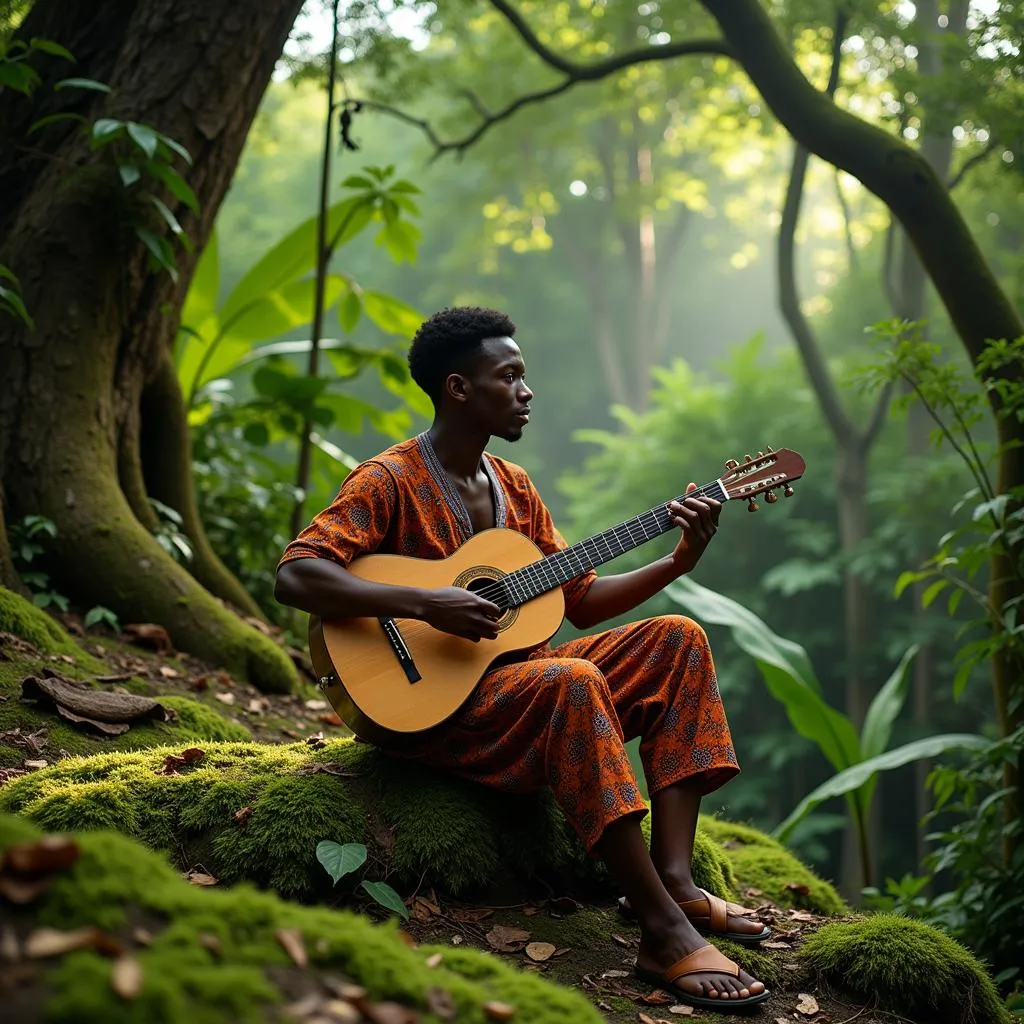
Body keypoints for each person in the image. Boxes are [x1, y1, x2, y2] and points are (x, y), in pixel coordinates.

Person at [275, 307, 769, 1010]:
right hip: (429, 711)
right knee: (571, 680)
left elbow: (584, 600)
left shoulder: (515, 487)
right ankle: (662, 934)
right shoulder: (387, 479)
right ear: (458, 389)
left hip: (517, 694)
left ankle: (675, 881)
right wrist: (425, 604)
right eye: (509, 376)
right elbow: (295, 574)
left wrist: (678, 558)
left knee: (677, 640)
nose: (525, 390)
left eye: (524, 375)